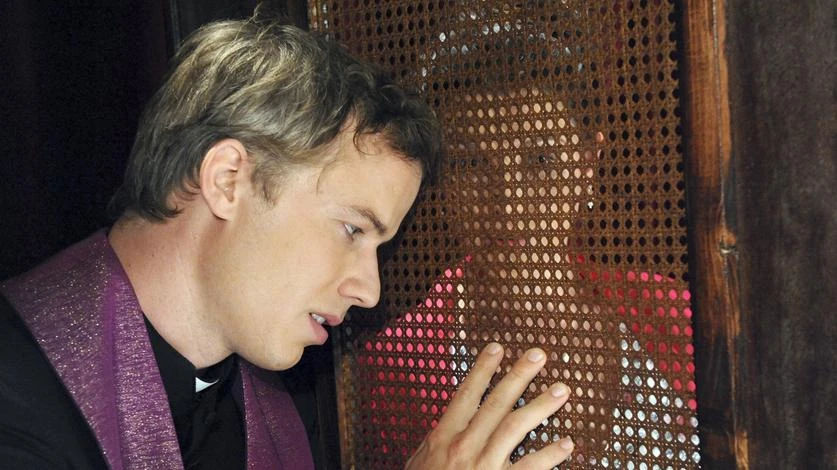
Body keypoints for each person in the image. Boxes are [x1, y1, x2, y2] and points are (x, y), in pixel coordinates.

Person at [0, 17, 574, 470]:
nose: (370, 292)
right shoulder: (19, 406)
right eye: (352, 229)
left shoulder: (274, 395)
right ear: (228, 180)